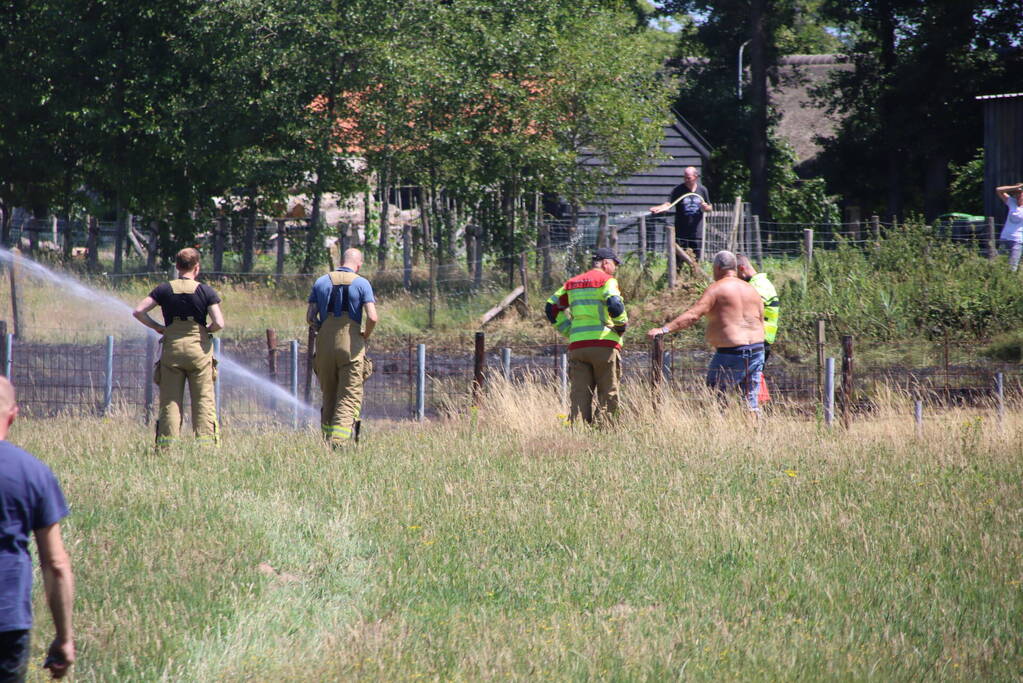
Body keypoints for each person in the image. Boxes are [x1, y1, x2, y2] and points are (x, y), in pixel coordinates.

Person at [0, 377, 75, 681]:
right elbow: (56, 564)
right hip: (7, 622)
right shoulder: (32, 472)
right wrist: (64, 638)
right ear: (13, 414)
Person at [647, 250, 765, 411]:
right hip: (757, 349)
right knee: (750, 400)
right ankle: (753, 433)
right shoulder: (752, 290)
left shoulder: (717, 289)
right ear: (734, 267)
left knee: (716, 395)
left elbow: (694, 315)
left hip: (732, 351)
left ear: (717, 267)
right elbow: (760, 319)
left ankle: (720, 431)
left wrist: (665, 329)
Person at [133, 247, 225, 447]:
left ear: (177, 266)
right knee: (203, 401)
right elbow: (219, 322)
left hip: (172, 350)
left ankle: (167, 447)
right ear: (197, 267)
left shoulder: (164, 289)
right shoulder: (205, 291)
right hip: (199, 351)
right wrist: (206, 329)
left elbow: (138, 311)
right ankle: (206, 447)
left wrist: (158, 327)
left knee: (170, 402)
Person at [545, 248, 628, 425]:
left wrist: (569, 330)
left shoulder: (572, 283)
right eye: (615, 264)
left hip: (578, 347)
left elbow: (551, 308)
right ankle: (606, 431)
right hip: (604, 344)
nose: (615, 269)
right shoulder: (607, 280)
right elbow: (614, 304)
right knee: (608, 393)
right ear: (606, 263)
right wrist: (621, 326)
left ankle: (579, 430)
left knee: (580, 394)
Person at [307, 248, 378, 446]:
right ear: (359, 263)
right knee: (348, 395)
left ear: (341, 261)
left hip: (324, 343)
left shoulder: (321, 281)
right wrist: (365, 334)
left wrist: (322, 329)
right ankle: (339, 441)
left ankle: (326, 441)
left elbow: (309, 317)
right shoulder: (362, 283)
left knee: (329, 394)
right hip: (350, 343)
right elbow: (372, 317)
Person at [649, 166, 712, 262]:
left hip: (696, 232)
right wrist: (659, 208)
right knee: (678, 260)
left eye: (689, 178)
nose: (686, 180)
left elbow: (709, 207)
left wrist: (706, 208)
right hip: (681, 231)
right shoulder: (678, 190)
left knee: (695, 261)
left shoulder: (702, 190)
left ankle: (695, 277)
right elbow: (668, 204)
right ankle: (677, 276)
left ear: (696, 177)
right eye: (685, 177)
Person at [736, 254, 779, 366]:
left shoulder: (757, 286)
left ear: (741, 269)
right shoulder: (759, 283)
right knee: (753, 379)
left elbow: (749, 313)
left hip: (758, 341)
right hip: (759, 340)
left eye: (735, 275)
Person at [996, 182, 1023, 272]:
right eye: (1017, 193)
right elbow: (998, 190)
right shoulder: (1011, 202)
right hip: (1005, 237)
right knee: (1000, 263)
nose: (1018, 195)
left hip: (1017, 240)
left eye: (1020, 193)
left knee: (1012, 267)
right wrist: (1016, 187)